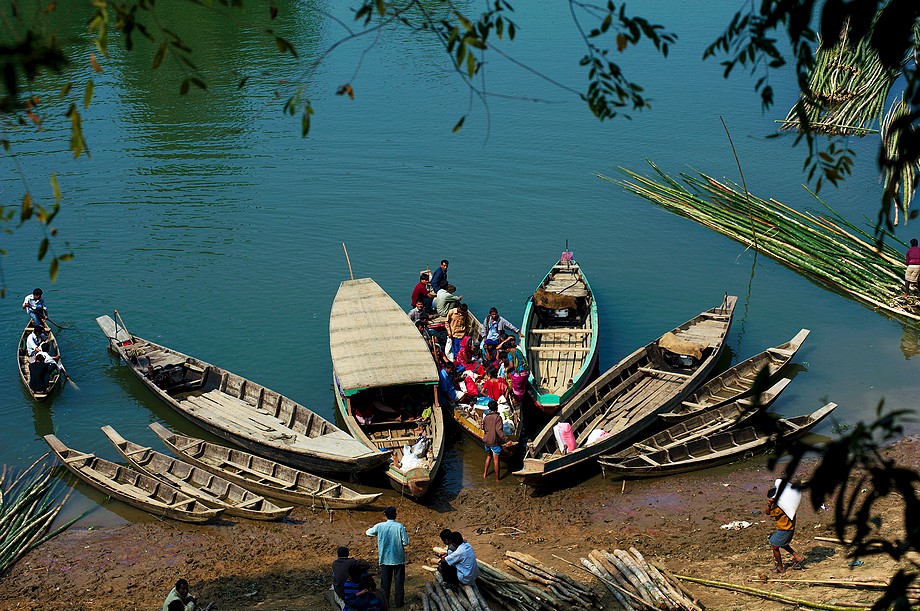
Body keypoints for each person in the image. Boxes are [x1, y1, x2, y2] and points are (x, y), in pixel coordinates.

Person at [366, 505, 409, 608]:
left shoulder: (380, 526)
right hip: (398, 559)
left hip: (385, 558)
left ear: (385, 515)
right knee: (399, 582)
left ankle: (385, 603)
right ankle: (399, 603)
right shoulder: (399, 526)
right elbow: (405, 542)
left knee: (385, 583)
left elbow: (368, 533)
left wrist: (376, 532)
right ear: (396, 515)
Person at [766, 487, 805, 573]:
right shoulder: (788, 505)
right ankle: (797, 557)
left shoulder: (779, 508)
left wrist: (769, 505)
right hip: (788, 529)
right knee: (782, 543)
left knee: (775, 547)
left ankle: (780, 567)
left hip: (784, 530)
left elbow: (767, 512)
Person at [482, 400, 511, 481]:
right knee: (496, 460)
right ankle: (497, 479)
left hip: (487, 440)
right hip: (494, 441)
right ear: (496, 408)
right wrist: (507, 440)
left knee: (489, 456)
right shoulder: (497, 418)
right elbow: (499, 431)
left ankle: (484, 474)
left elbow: (484, 428)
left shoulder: (486, 417)